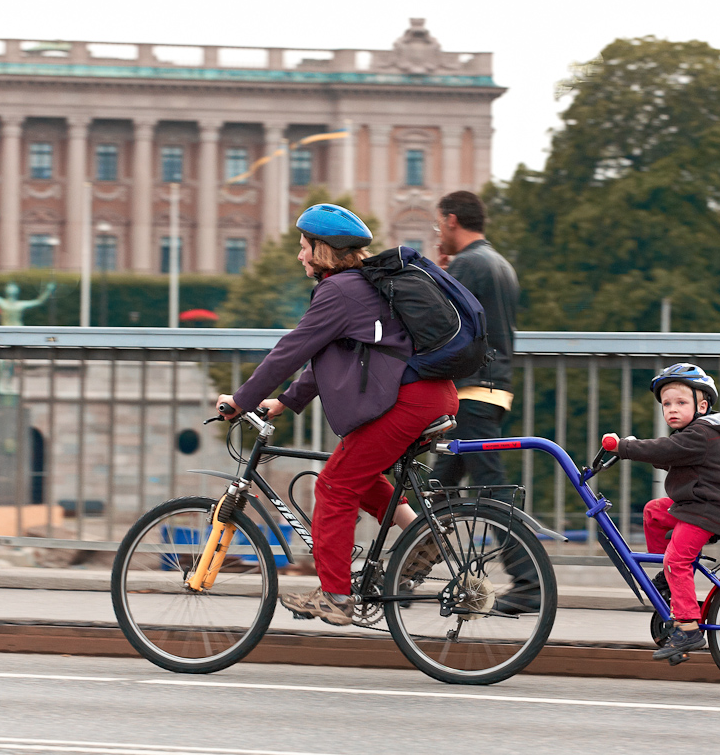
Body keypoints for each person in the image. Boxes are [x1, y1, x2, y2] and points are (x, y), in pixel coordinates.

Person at [216, 203, 458, 626]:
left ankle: (335, 596)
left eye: (304, 246)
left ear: (322, 249)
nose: (299, 255)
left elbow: (290, 351)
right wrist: (286, 401)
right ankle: (421, 535)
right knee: (355, 476)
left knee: (332, 487)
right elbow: (325, 356)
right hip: (427, 395)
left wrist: (241, 399)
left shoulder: (339, 291)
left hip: (410, 400)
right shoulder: (358, 286)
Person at [428, 190, 536, 611]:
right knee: (439, 489)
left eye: (440, 225)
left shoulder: (470, 264)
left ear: (452, 220)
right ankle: (404, 572)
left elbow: (440, 323)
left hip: (472, 390)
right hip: (489, 389)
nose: (439, 232)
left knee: (491, 490)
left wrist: (439, 275)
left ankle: (528, 584)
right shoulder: (498, 263)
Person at [601, 363, 720, 661]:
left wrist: (625, 447)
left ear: (701, 405)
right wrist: (636, 449)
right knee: (654, 511)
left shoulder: (701, 432)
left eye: (681, 402)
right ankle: (668, 579)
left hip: (707, 510)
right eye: (667, 404)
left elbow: (664, 450)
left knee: (677, 559)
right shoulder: (694, 434)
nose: (672, 409)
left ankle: (688, 628)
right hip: (695, 505)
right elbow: (667, 455)